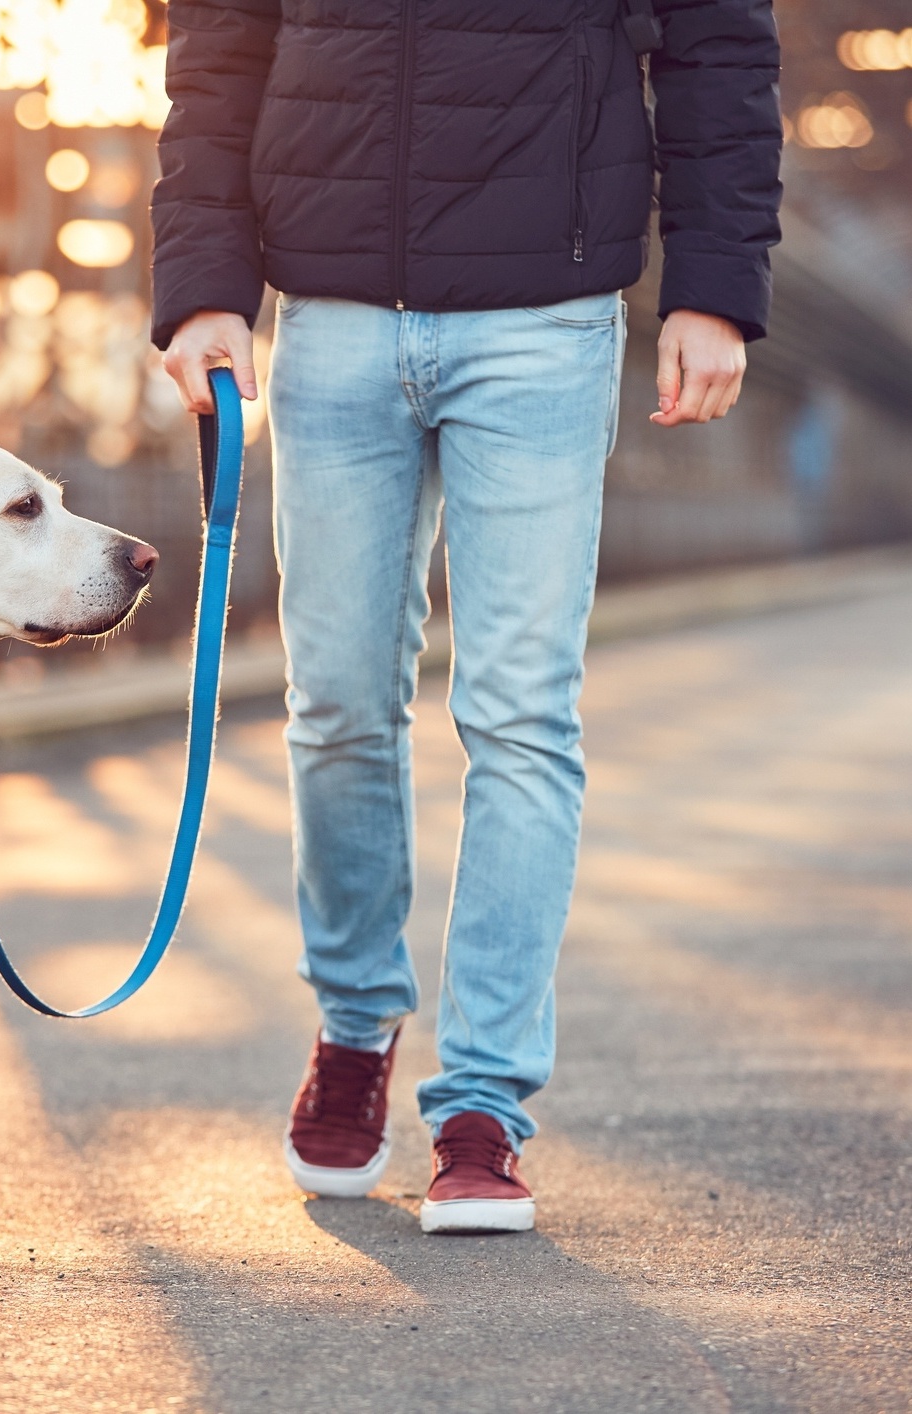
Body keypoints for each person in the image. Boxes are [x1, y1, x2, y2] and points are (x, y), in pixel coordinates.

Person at [150, 0, 782, 1232]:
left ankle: (482, 1103)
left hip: (544, 320)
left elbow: (718, 45)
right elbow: (218, 47)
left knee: (519, 713)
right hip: (327, 316)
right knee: (333, 702)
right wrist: (202, 288)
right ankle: (350, 1025)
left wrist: (713, 284)